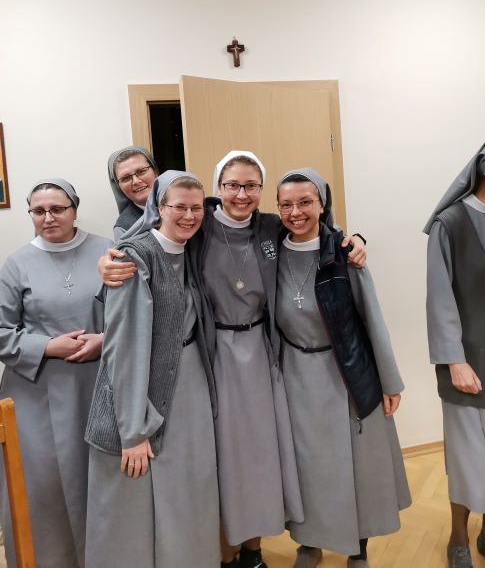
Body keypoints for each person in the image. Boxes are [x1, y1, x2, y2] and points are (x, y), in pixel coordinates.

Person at [99, 150, 367, 568]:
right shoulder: (199, 223)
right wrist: (109, 259)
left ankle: (253, 546)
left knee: (258, 453)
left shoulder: (270, 226)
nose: (241, 194)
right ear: (218, 188)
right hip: (211, 354)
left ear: (261, 189)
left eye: (251, 186)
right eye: (232, 185)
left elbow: (315, 227)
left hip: (261, 352)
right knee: (218, 456)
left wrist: (354, 239)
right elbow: (149, 236)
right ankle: (224, 550)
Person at [275, 168, 410, 568]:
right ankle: (309, 542)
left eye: (305, 202)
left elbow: (372, 317)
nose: (296, 212)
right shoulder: (270, 250)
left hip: (345, 372)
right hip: (294, 375)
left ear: (322, 204)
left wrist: (389, 381)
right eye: (286, 204)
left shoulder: (344, 252)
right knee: (306, 466)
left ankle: (357, 547)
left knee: (357, 466)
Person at [85, 170, 220, 568]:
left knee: (188, 489)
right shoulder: (134, 257)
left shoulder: (191, 248)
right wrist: (132, 431)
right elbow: (123, 348)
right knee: (139, 500)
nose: (189, 216)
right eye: (179, 207)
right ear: (158, 209)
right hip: (143, 389)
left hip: (190, 383)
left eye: (196, 208)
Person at [424, 134, 485, 568]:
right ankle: (458, 539)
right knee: (467, 457)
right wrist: (454, 360)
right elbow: (439, 298)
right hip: (467, 363)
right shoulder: (450, 224)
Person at [0, 179, 111, 568]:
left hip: (99, 384)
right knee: (44, 487)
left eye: (57, 209)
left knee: (101, 483)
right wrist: (48, 346)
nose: (48, 218)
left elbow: (132, 312)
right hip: (38, 394)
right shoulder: (16, 264)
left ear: (74, 209)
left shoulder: (107, 250)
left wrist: (104, 339)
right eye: (39, 211)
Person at [107, 145, 158, 240]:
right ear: (118, 186)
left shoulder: (183, 203)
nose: (136, 181)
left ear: (155, 172)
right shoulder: (123, 228)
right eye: (126, 178)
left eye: (141, 171)